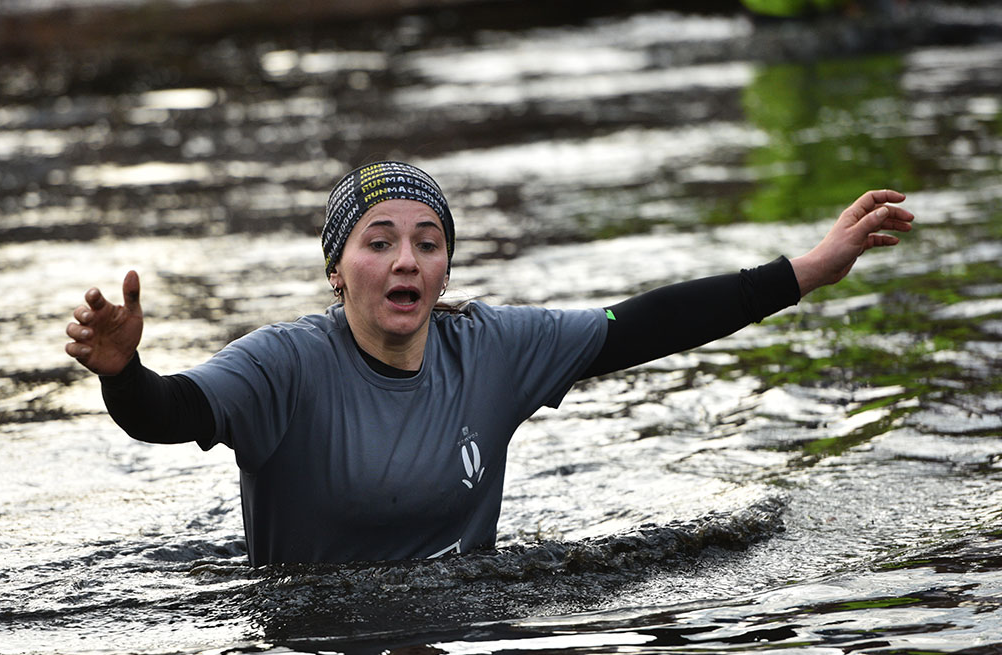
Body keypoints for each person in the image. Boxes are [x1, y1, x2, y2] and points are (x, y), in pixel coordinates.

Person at [64, 161, 914, 567]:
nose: (406, 261)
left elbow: (644, 324)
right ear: (337, 268)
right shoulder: (284, 365)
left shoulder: (490, 348)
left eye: (427, 244)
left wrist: (806, 270)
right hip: (312, 640)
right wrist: (123, 372)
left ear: (444, 270)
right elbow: (170, 413)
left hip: (461, 631)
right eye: (380, 241)